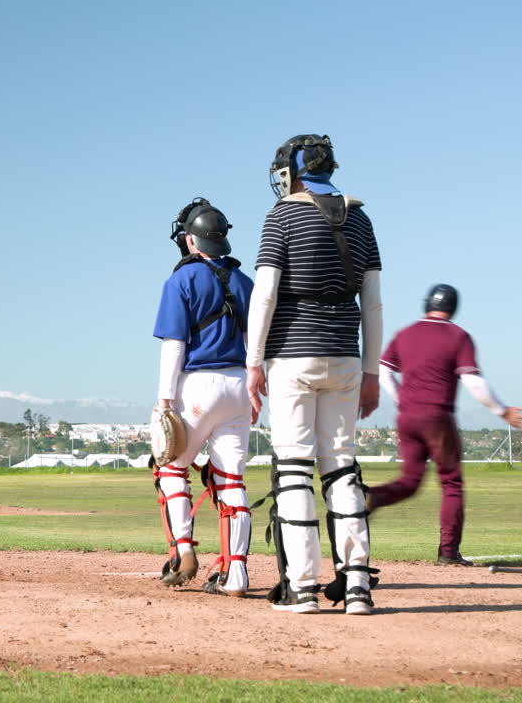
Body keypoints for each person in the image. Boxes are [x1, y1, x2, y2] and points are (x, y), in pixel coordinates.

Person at [246, 134, 383, 615]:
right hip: (346, 357)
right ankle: (358, 586)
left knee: (294, 469)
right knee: (341, 466)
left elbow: (264, 295)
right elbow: (373, 302)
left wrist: (253, 360)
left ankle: (301, 587)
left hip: (292, 357)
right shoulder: (360, 218)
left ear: (291, 172)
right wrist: (372, 372)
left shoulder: (281, 216)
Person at [368, 284, 522, 565]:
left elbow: (384, 373)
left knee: (409, 481)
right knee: (451, 483)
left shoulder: (405, 334)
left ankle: (370, 497)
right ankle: (448, 552)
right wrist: (502, 411)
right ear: (453, 307)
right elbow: (473, 382)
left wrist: (403, 400)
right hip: (437, 417)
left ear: (426, 304)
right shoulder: (458, 336)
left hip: (406, 417)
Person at [151, 198, 255, 596]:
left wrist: (164, 400)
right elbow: (252, 342)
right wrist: (256, 392)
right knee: (232, 480)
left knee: (171, 468)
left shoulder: (182, 280)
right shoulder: (245, 282)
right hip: (240, 384)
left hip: (198, 385)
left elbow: (174, 345)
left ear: (191, 241)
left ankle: (183, 552)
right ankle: (237, 573)